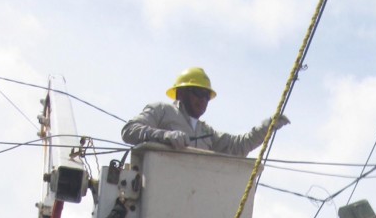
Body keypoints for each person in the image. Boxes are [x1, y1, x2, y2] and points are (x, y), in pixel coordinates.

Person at [120, 66, 289, 154]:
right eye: (198, 93)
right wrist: (164, 136)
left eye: (207, 96)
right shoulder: (161, 110)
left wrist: (266, 128)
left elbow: (238, 146)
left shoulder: (206, 132)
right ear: (181, 93)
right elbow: (129, 130)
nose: (203, 100)